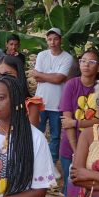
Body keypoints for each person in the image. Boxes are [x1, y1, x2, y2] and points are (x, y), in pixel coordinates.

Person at [59, 48, 99, 197]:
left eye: (91, 62)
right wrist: (77, 150)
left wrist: (77, 124)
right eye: (84, 61)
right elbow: (65, 121)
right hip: (70, 148)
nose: (86, 65)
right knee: (71, 190)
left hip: (95, 147)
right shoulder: (71, 85)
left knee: (90, 190)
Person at [32, 27, 74, 179]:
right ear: (47, 41)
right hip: (40, 102)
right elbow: (36, 77)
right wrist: (53, 77)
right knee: (37, 134)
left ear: (60, 40)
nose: (52, 42)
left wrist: (44, 76)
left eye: (55, 39)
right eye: (49, 39)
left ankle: (51, 165)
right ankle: (36, 164)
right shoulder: (42, 55)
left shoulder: (67, 57)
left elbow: (59, 79)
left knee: (56, 136)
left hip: (58, 103)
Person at [0, 55, 44, 127]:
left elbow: (29, 135)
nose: (3, 79)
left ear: (19, 75)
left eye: (8, 74)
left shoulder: (30, 105)